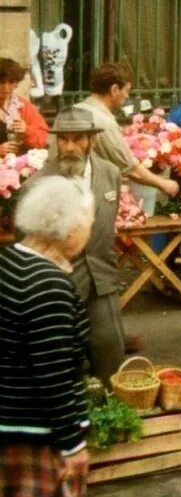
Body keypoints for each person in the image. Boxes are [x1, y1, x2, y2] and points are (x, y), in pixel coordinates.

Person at [0, 177, 94, 497]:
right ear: (70, 231)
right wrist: (73, 445)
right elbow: (53, 375)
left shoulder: (9, 260)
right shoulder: (48, 285)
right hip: (35, 439)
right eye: (89, 225)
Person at [30, 107, 123, 382]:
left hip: (102, 280)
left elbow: (108, 224)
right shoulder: (38, 184)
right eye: (63, 139)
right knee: (61, 361)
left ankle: (110, 417)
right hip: (59, 285)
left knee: (110, 354)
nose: (70, 147)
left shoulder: (110, 174)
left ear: (91, 140)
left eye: (78, 139)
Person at [74, 62, 179, 200]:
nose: (127, 96)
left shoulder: (73, 110)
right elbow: (130, 168)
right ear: (115, 89)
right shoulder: (103, 122)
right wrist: (164, 184)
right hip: (89, 198)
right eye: (127, 90)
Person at [0, 57, 48, 153]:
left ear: (16, 84)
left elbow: (42, 140)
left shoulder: (23, 107)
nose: (6, 87)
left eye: (11, 82)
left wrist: (27, 130)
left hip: (19, 163)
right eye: (1, 82)